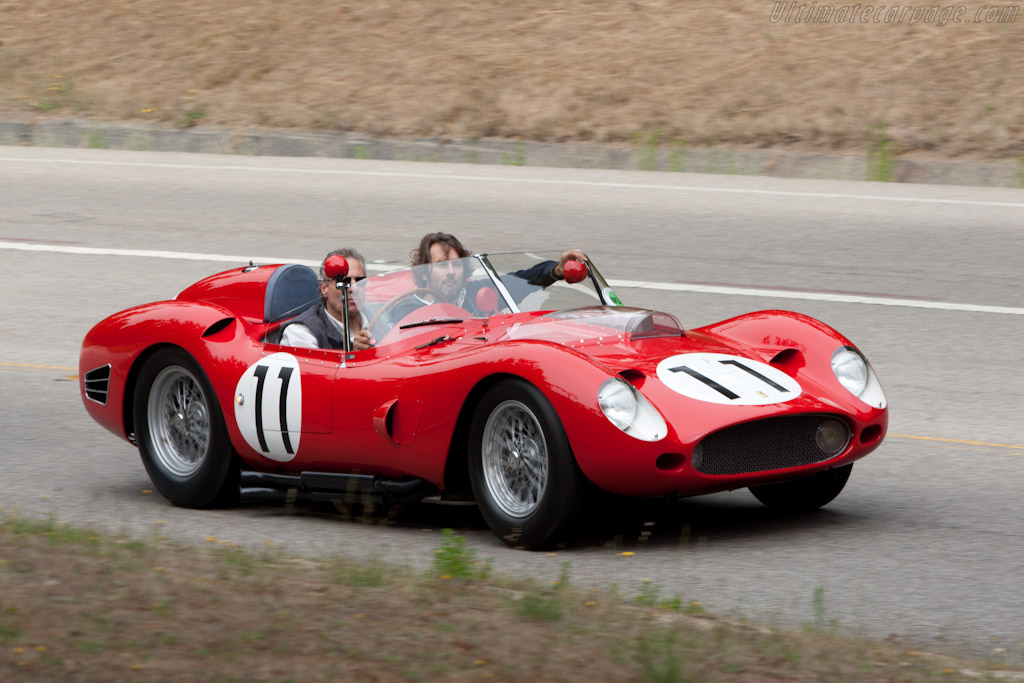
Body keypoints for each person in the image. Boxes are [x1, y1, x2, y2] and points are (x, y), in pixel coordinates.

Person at [404, 232, 587, 312]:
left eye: (457, 265)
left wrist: (556, 270)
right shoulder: (406, 309)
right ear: (424, 273)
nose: (451, 272)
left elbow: (524, 279)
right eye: (442, 265)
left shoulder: (476, 294)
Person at [280, 248, 375, 351]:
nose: (354, 288)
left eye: (360, 281)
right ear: (324, 288)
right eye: (344, 282)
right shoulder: (301, 333)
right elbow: (312, 367)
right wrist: (354, 356)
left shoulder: (380, 318)